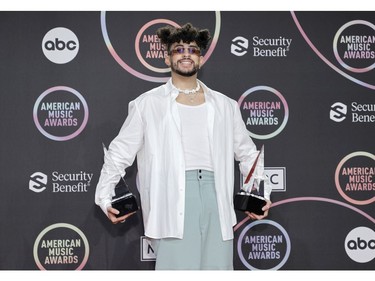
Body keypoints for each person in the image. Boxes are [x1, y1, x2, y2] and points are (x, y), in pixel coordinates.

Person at [95, 23, 272, 270]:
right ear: (168, 57)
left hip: (216, 197)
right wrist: (105, 197)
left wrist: (259, 194)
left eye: (193, 49)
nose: (186, 54)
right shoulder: (147, 104)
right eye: (179, 49)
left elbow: (248, 154)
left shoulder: (225, 105)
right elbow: (119, 154)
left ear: (200, 58)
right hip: (172, 196)